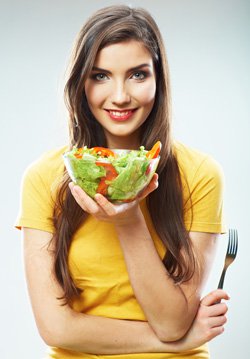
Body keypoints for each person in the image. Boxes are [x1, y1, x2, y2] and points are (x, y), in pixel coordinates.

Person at [16, 5, 229, 359]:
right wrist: (181, 339)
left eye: (137, 75)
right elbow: (56, 328)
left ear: (159, 80)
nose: (119, 96)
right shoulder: (44, 177)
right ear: (80, 83)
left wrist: (128, 218)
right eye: (100, 76)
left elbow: (171, 323)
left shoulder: (202, 174)